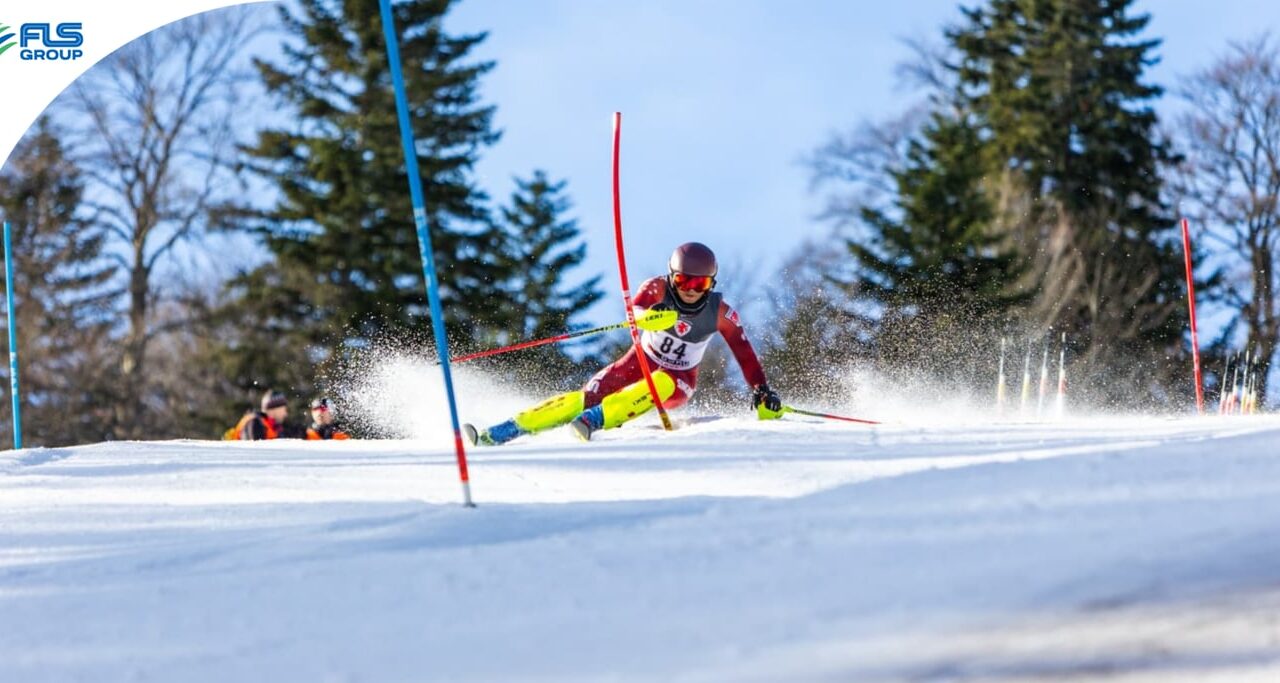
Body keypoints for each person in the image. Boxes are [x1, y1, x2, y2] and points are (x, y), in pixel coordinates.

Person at [464, 242, 783, 445]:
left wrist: (761, 389)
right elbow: (637, 309)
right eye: (683, 280)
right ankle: (503, 431)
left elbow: (744, 352)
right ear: (671, 276)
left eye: (699, 283)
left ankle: (595, 420)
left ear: (711, 283)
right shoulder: (656, 288)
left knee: (659, 381)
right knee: (586, 396)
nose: (690, 289)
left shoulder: (721, 313)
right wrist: (648, 316)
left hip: (679, 380)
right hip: (638, 361)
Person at [226, 389, 297, 440]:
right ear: (273, 409)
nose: (285, 414)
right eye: (284, 409)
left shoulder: (272, 427)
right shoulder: (254, 423)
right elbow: (254, 452)